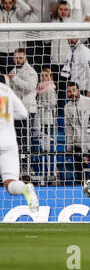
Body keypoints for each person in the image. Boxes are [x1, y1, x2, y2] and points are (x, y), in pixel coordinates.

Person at [0, 75, 39, 212]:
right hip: (9, 141)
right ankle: (25, 188)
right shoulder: (7, 91)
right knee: (10, 182)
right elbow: (23, 113)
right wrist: (8, 116)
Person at [8, 48, 38, 153]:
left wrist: (15, 79)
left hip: (27, 110)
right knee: (16, 136)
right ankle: (19, 161)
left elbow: (29, 87)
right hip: (15, 110)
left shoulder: (31, 72)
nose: (18, 60)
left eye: (20, 58)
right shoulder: (13, 71)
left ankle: (28, 162)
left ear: (25, 58)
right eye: (16, 58)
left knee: (26, 136)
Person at [64, 81, 90, 183]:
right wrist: (69, 145)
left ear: (79, 90)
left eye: (74, 90)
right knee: (80, 173)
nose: (72, 93)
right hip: (78, 144)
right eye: (69, 91)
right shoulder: (67, 107)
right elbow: (68, 128)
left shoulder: (88, 102)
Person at [0, 0, 32, 74]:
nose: (8, 5)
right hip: (1, 51)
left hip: (13, 52)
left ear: (13, 3)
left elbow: (27, 9)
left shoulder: (18, 13)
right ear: (2, 3)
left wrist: (17, 0)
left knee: (13, 77)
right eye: (5, 3)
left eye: (10, 3)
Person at [34, 68, 57, 150]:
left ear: (50, 77)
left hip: (47, 119)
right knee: (41, 141)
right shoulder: (39, 87)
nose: (43, 77)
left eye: (46, 76)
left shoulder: (50, 88)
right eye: (42, 75)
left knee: (46, 143)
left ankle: (47, 159)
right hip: (40, 118)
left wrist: (40, 105)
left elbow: (53, 103)